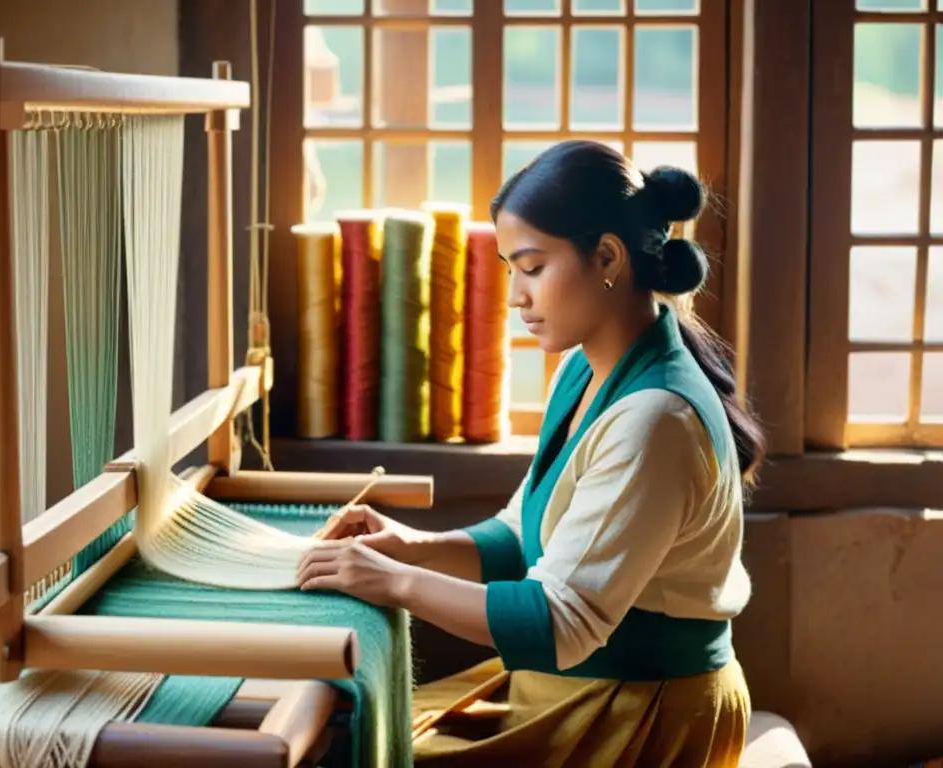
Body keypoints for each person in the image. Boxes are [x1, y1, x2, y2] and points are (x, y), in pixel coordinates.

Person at [296, 139, 764, 767]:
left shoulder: (656, 419)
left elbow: (561, 621)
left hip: (641, 712)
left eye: (533, 267)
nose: (516, 295)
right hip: (579, 687)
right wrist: (412, 545)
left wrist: (394, 580)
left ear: (607, 257)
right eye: (511, 268)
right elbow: (527, 533)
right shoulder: (582, 370)